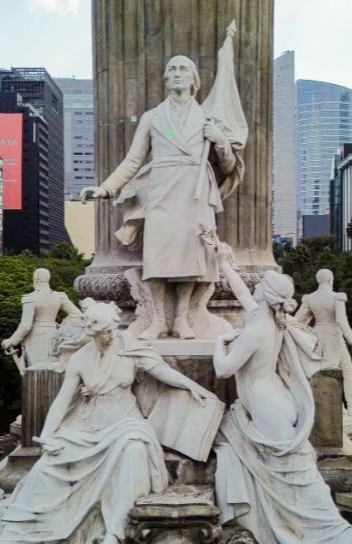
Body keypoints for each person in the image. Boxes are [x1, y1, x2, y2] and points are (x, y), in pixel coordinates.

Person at [0, 302, 219, 544]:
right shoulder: (80, 358)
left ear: (110, 327)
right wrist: (47, 437)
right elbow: (62, 401)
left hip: (125, 423)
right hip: (86, 425)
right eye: (89, 326)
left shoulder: (130, 346)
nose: (93, 332)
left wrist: (193, 387)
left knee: (134, 452)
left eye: (97, 326)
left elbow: (161, 371)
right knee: (45, 470)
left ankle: (113, 536)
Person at [210, 243, 352, 544]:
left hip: (267, 409)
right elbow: (241, 292)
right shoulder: (265, 318)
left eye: (259, 285)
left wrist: (218, 343)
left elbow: (223, 370)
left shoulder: (256, 330)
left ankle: (334, 537)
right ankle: (266, 517)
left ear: (265, 292)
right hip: (274, 402)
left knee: (299, 478)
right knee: (244, 452)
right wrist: (223, 262)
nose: (254, 288)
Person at [79, 54, 244, 340]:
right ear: (165, 79)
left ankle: (181, 319)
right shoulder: (154, 118)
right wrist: (105, 188)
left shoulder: (208, 118)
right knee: (157, 257)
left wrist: (220, 142)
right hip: (162, 190)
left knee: (191, 259)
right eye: (172, 69)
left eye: (183, 69)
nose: (177, 73)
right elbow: (133, 160)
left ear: (194, 80)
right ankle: (157, 320)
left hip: (194, 191)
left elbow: (228, 168)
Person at [295, 268, 352, 418]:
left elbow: (297, 321)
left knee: (334, 371)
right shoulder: (337, 297)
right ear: (331, 280)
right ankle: (336, 407)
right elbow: (342, 320)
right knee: (337, 373)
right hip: (334, 336)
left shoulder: (310, 298)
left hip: (317, 336)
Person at [1, 268, 82, 369]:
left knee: (37, 370)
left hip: (36, 338)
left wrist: (12, 341)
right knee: (52, 369)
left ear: (35, 279)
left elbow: (26, 325)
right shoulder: (59, 296)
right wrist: (60, 326)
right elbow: (78, 315)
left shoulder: (30, 298)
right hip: (55, 336)